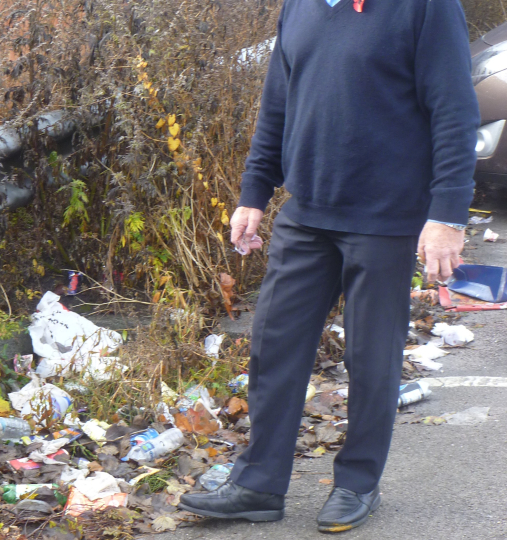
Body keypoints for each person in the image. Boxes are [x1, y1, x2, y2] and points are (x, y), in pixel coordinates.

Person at [179, 0, 479, 533]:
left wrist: (448, 215)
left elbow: (454, 109)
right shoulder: (302, 6)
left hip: (386, 217)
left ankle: (357, 482)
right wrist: (254, 192)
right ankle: (258, 484)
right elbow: (277, 104)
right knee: (273, 346)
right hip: (307, 213)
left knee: (371, 358)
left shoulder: (426, 7)